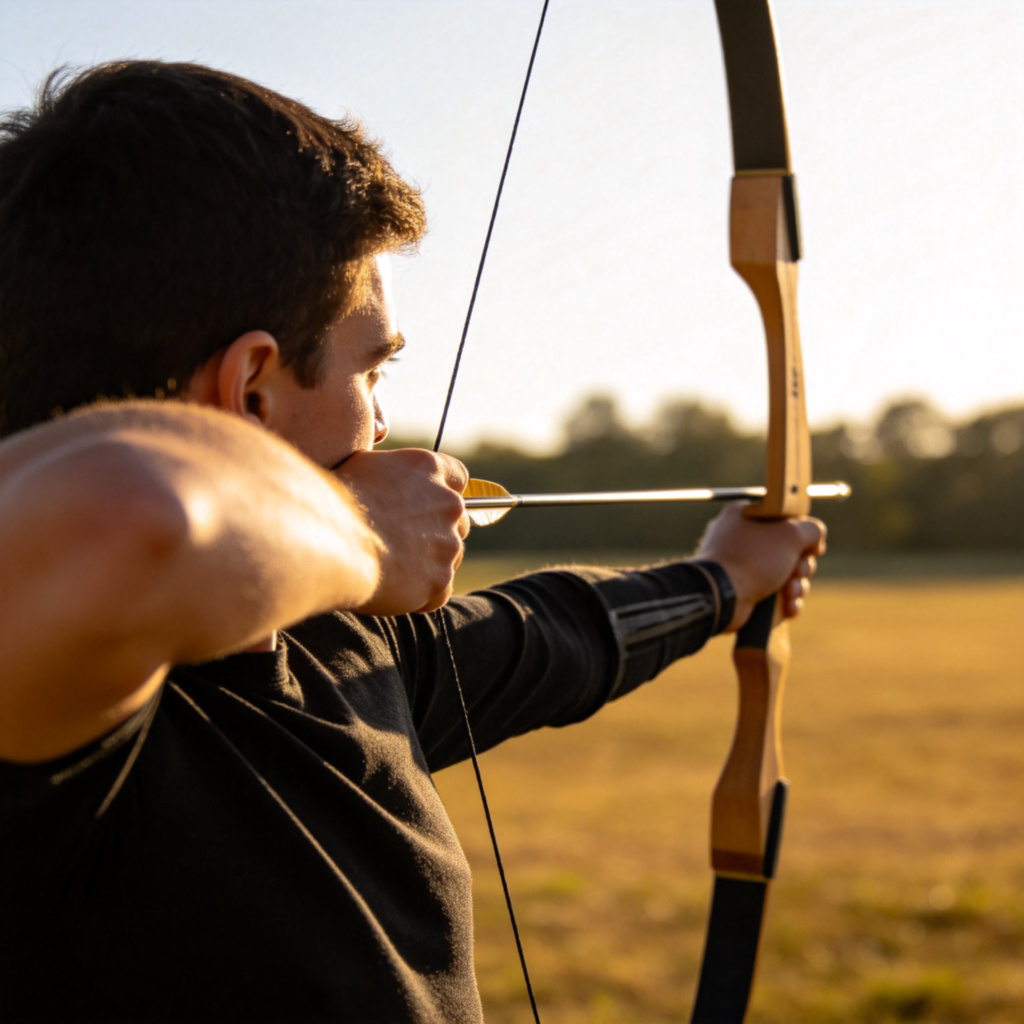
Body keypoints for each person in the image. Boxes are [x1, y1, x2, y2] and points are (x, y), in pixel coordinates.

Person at [0, 62, 825, 1023]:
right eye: (373, 367)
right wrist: (357, 532)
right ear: (252, 390)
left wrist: (726, 577)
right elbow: (135, 515)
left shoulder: (336, 648)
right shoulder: (64, 724)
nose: (386, 422)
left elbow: (551, 635)